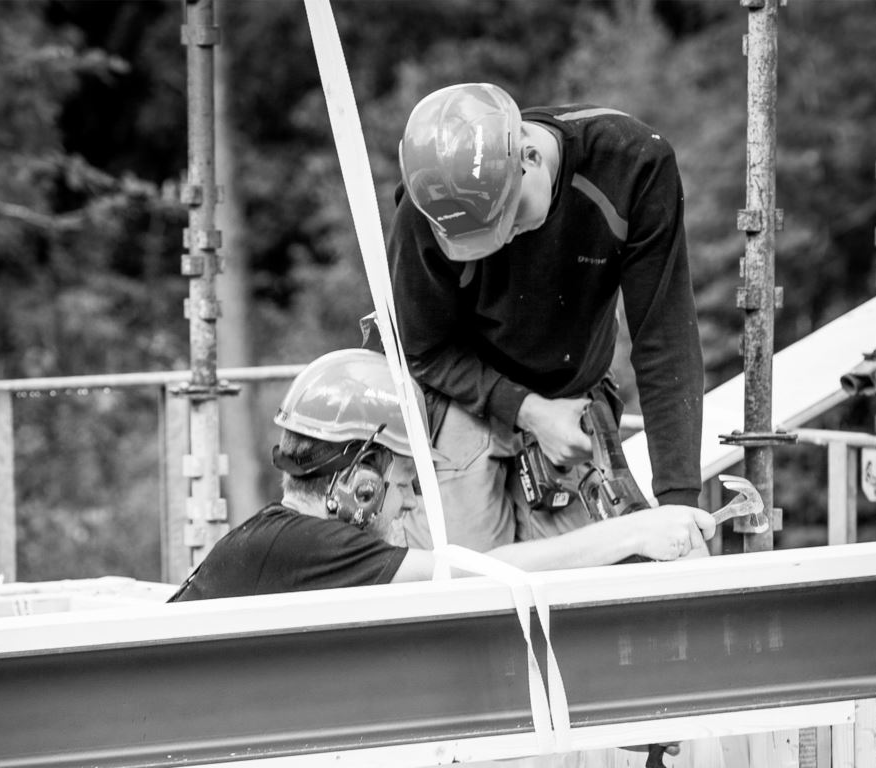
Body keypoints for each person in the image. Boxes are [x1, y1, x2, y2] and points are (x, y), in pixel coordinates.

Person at [380, 82, 704, 552]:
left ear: (529, 157)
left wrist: (679, 501)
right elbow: (423, 350)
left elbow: (665, 338)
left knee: (596, 569)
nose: (505, 240)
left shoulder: (631, 164)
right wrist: (530, 412)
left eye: (510, 216)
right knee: (467, 573)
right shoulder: (431, 206)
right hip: (462, 396)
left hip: (572, 398)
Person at [168, 349, 714, 602]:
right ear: (362, 486)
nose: (411, 504)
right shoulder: (310, 546)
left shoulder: (285, 543)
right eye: (407, 483)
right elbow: (481, 573)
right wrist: (633, 531)